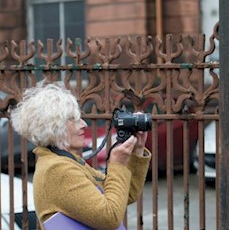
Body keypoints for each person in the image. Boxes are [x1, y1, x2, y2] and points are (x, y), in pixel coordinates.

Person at [10, 82, 151, 230]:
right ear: (54, 127)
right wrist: (117, 165)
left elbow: (125, 193)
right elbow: (110, 218)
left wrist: (138, 150)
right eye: (74, 120)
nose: (84, 124)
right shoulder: (57, 170)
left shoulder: (67, 162)